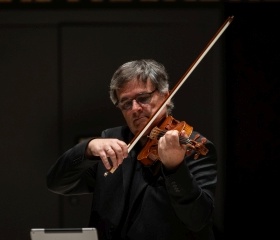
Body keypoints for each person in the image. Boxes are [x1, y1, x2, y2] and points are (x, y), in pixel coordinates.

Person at [46, 59, 218, 240]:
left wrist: (175, 169)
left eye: (143, 98)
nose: (135, 108)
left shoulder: (193, 146)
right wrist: (87, 149)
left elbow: (198, 219)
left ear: (166, 96)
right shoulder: (111, 141)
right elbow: (57, 183)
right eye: (126, 103)